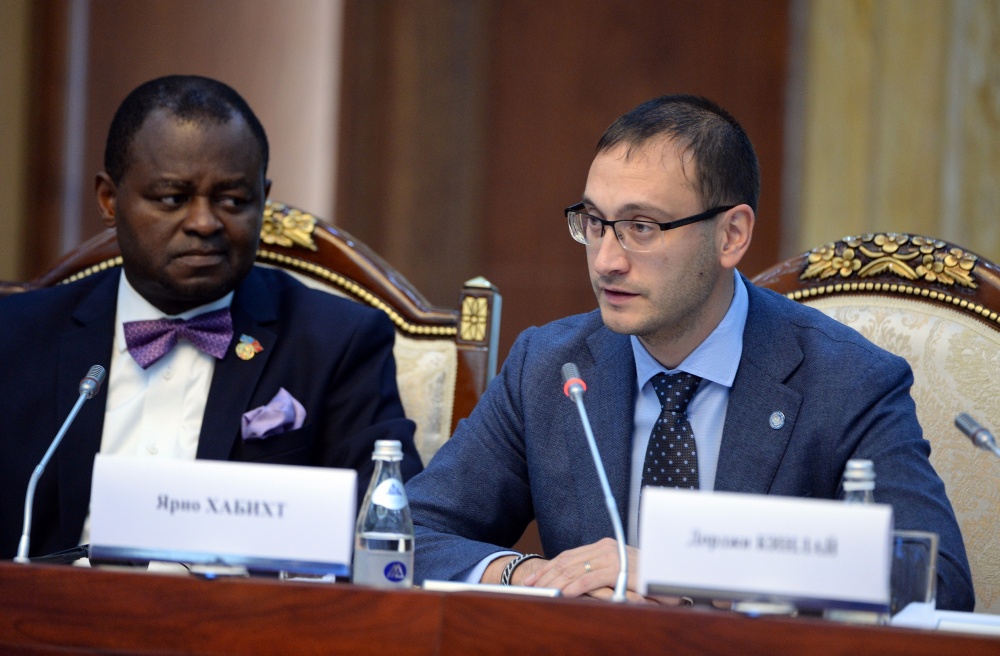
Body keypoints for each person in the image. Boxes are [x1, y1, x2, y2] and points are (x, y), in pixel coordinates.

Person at [406, 94, 975, 611]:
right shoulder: (550, 366)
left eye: (642, 227)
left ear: (731, 236)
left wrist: (687, 573)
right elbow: (405, 534)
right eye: (595, 223)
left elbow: (933, 581)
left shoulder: (846, 380)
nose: (606, 261)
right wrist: (528, 574)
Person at [0, 75, 421, 560]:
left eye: (233, 200)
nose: (204, 223)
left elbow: (389, 529)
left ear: (263, 199)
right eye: (173, 198)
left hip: (243, 607)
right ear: (110, 201)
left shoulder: (336, 342)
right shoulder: (16, 336)